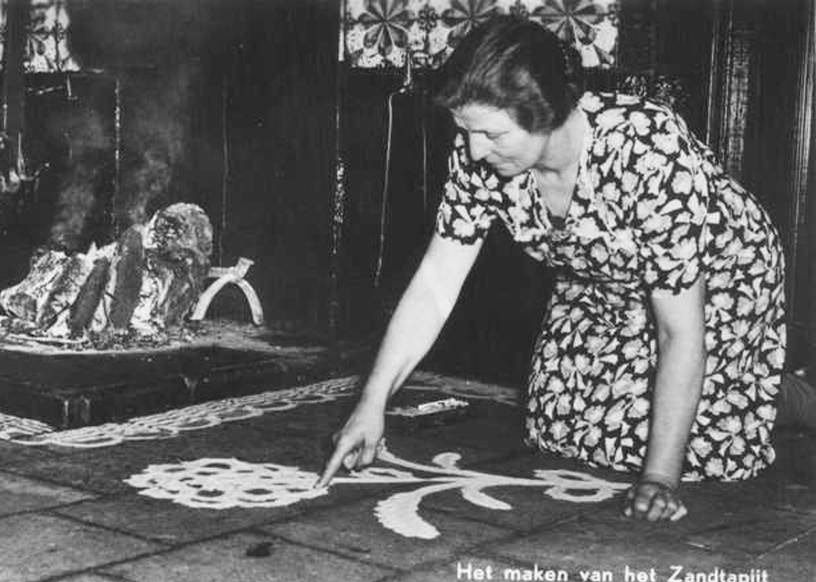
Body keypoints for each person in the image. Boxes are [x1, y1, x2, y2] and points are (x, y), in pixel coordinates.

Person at [317, 15, 794, 523]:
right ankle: (742, 387)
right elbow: (435, 285)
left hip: (719, 278)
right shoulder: (479, 151)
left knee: (694, 449)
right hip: (600, 277)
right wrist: (372, 403)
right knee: (558, 426)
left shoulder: (647, 148)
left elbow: (679, 329)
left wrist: (660, 478)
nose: (476, 149)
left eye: (492, 134)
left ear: (546, 113)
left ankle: (782, 390)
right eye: (467, 131)